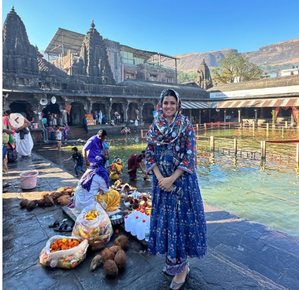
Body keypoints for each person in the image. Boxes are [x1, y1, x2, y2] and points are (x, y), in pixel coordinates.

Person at [145, 88, 207, 290]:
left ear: (178, 105)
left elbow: (190, 156)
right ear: (160, 105)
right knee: (167, 224)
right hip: (161, 185)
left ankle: (182, 269)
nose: (169, 106)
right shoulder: (155, 127)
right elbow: (150, 155)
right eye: (166, 103)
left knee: (180, 225)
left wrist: (172, 178)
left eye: (172, 103)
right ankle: (173, 264)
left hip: (182, 185)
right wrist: (161, 179)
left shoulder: (186, 126)